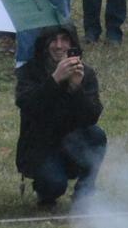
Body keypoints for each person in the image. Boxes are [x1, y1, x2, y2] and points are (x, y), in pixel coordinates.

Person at [15, 24, 106, 209]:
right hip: (41, 144)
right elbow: (28, 105)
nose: (58, 46)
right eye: (53, 40)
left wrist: (75, 88)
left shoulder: (85, 73)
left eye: (65, 40)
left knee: (96, 135)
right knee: (53, 186)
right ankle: (45, 189)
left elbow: (92, 116)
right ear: (44, 44)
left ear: (72, 44)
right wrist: (54, 80)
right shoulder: (29, 71)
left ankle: (85, 192)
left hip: (73, 141)